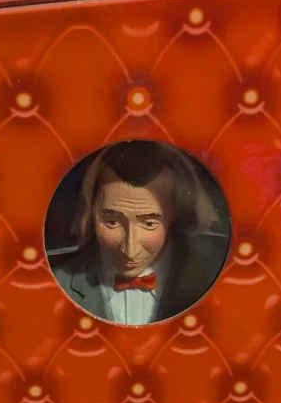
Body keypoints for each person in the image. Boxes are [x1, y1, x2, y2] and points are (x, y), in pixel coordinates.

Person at [49, 139, 226, 326]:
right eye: (112, 222)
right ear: (91, 212)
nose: (130, 250)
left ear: (175, 212)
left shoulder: (218, 274)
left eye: (149, 224)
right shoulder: (57, 282)